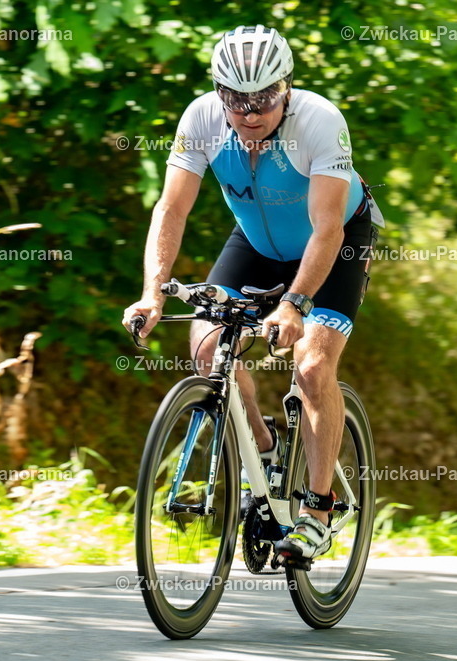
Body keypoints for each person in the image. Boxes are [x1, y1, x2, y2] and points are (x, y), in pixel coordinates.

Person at [122, 25, 382, 565]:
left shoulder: (320, 120)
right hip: (257, 243)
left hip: (334, 242)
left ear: (286, 88)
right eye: (235, 98)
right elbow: (171, 210)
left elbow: (327, 228)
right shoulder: (200, 120)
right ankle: (263, 455)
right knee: (206, 348)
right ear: (219, 92)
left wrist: (294, 303)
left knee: (311, 367)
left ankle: (317, 510)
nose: (248, 110)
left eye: (263, 97)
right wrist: (152, 294)